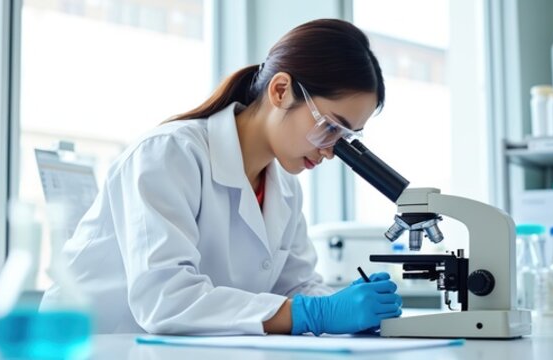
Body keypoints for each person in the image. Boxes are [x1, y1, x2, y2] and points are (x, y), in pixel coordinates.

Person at [40, 18, 402, 335]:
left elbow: (295, 288)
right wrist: (317, 314)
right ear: (280, 90)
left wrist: (346, 306)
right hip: (92, 345)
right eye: (330, 127)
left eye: (344, 139)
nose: (330, 151)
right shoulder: (168, 154)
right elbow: (166, 299)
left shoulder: (286, 188)